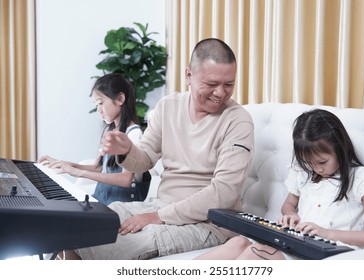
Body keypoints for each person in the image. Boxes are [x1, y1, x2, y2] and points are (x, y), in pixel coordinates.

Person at [61, 38, 254, 260]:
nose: (221, 93)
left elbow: (223, 193)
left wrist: (158, 217)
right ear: (189, 75)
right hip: (160, 207)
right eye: (211, 84)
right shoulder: (168, 107)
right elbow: (144, 159)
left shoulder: (238, 122)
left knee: (108, 246)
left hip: (208, 223)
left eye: (229, 84)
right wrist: (126, 150)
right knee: (79, 226)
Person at [195, 109, 364, 260]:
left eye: (321, 162)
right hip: (297, 244)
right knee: (237, 243)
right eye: (309, 163)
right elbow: (288, 205)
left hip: (329, 253)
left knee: (256, 253)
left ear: (340, 148)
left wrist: (327, 233)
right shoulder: (304, 174)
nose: (316, 169)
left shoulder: (361, 179)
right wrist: (291, 216)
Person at [38, 73, 150, 205]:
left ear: (120, 99)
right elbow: (98, 167)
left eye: (100, 103)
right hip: (103, 199)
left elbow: (125, 179)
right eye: (96, 105)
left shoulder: (134, 134)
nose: (98, 110)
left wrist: (80, 172)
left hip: (121, 206)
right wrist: (64, 164)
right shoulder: (111, 131)